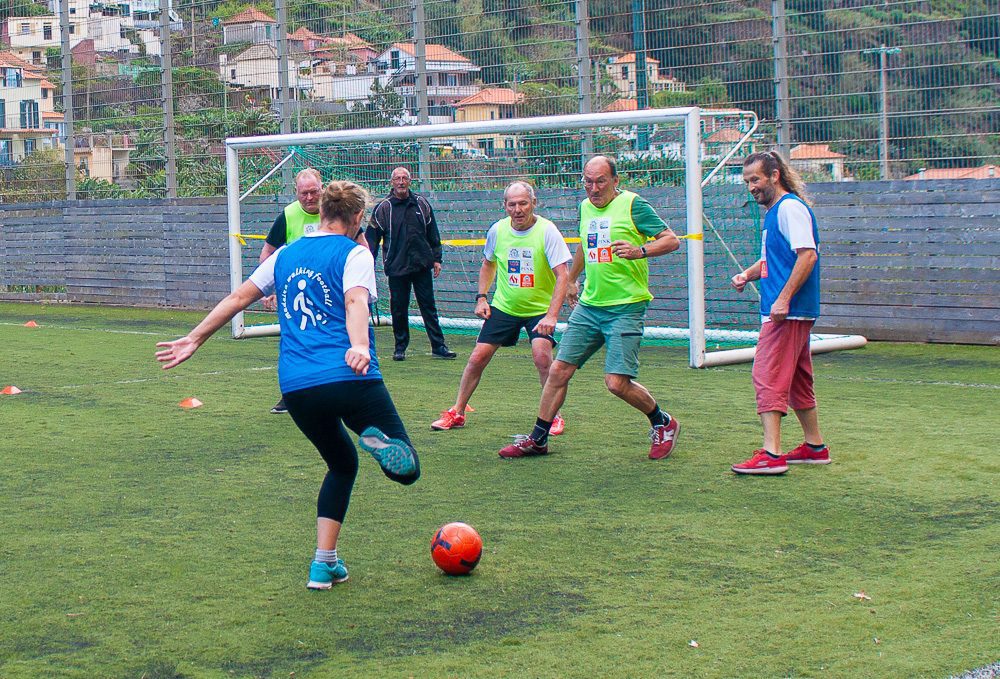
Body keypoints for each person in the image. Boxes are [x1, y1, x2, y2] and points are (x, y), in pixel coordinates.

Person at [156, 180, 420, 589]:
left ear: (320, 212)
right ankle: (376, 439)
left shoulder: (284, 254)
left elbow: (238, 298)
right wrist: (361, 345)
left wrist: (194, 337)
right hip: (347, 375)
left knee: (341, 464)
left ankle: (323, 563)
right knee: (407, 471)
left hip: (297, 386)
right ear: (357, 219)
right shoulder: (356, 252)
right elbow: (355, 301)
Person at [498, 155, 682, 461]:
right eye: (587, 181)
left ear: (615, 181)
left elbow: (671, 240)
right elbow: (585, 244)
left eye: (600, 181)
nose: (593, 188)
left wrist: (640, 251)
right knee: (558, 370)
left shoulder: (634, 205)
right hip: (590, 306)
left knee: (616, 384)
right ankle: (538, 439)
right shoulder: (585, 207)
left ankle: (663, 422)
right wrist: (571, 279)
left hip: (626, 306)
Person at [431, 181, 572, 434]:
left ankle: (554, 417)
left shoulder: (548, 231)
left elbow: (563, 275)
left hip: (539, 310)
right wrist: (482, 298)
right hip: (504, 307)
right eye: (512, 204)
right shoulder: (497, 230)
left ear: (534, 203)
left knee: (542, 356)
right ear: (505, 206)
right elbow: (488, 264)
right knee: (477, 357)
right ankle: (457, 412)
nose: (517, 209)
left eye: (523, 203)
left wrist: (552, 315)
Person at [729, 151, 829, 475]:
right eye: (746, 182)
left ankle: (772, 454)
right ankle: (814, 447)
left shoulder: (789, 209)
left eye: (755, 179)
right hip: (791, 311)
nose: (750, 187)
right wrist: (746, 274)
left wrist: (783, 300)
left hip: (786, 313)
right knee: (798, 379)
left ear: (775, 175)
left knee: (767, 375)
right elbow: (773, 260)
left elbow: (807, 256)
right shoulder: (776, 212)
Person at [365, 166, 456, 361]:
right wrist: (367, 265)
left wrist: (437, 259)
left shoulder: (421, 204)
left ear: (410, 181)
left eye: (404, 178)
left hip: (422, 265)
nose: (401, 182)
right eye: (397, 179)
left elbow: (433, 233)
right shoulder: (383, 208)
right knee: (398, 308)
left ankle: (438, 346)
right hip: (397, 268)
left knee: (428, 306)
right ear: (392, 183)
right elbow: (371, 239)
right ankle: (400, 348)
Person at [259, 168, 323, 414]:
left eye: (313, 192)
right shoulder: (287, 215)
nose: (309, 198)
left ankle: (335, 393)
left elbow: (360, 244)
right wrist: (269, 288)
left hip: (330, 292)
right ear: (296, 192)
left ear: (322, 188)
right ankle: (290, 395)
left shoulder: (336, 210)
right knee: (293, 343)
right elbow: (267, 252)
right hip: (296, 293)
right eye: (303, 193)